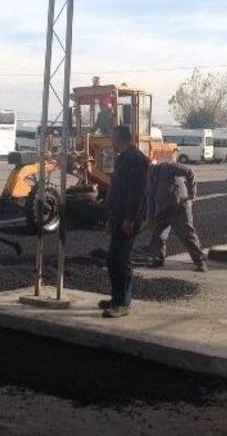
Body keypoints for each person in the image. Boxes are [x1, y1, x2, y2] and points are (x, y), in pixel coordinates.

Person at [101, 125, 149, 318]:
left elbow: (136, 193)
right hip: (119, 216)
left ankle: (122, 303)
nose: (110, 141)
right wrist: (111, 218)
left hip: (129, 218)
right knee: (114, 258)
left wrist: (130, 218)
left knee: (120, 259)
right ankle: (117, 297)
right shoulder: (122, 159)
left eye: (112, 137)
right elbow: (116, 190)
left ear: (120, 138)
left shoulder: (136, 160)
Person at [146, 148, 207, 272]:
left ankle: (200, 262)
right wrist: (150, 218)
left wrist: (192, 193)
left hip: (179, 206)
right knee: (158, 234)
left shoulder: (170, 167)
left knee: (187, 234)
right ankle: (157, 259)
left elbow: (190, 171)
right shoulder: (152, 173)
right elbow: (150, 196)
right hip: (162, 207)